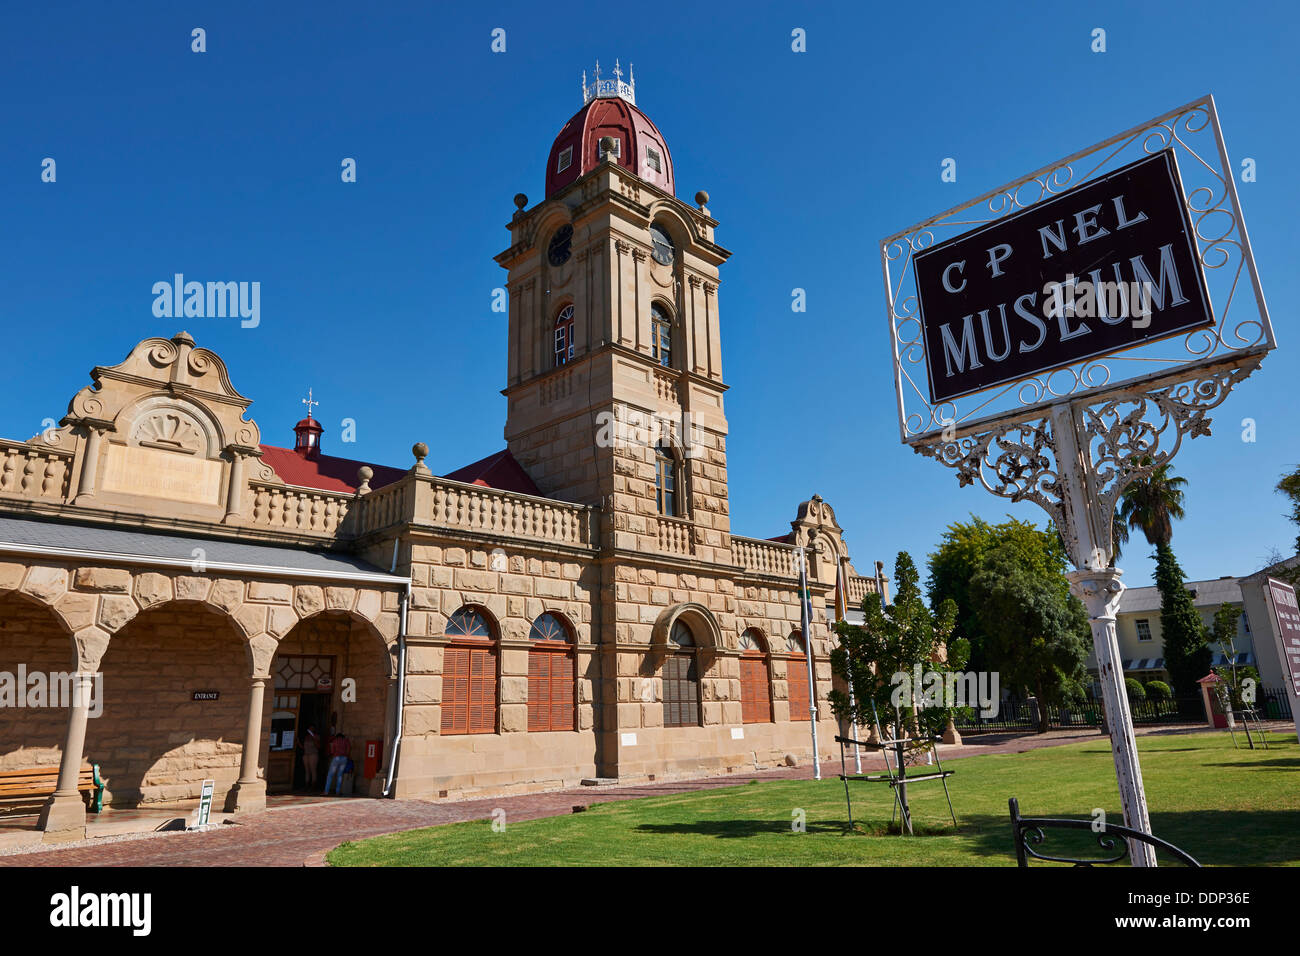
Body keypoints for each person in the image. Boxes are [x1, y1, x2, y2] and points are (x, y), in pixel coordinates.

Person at [323, 728, 351, 796]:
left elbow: (332, 751)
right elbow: (349, 749)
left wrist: (333, 754)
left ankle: (326, 791)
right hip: (344, 758)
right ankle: (337, 792)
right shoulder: (346, 740)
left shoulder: (335, 740)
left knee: (330, 775)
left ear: (337, 736)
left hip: (336, 758)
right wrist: (346, 755)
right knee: (340, 775)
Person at [300, 725, 321, 790]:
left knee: (313, 770)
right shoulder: (306, 737)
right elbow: (303, 747)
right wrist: (298, 742)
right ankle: (306, 785)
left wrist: (314, 738)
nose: (310, 729)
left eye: (312, 728)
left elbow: (318, 746)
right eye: (309, 728)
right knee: (307, 770)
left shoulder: (316, 736)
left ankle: (313, 785)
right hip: (306, 754)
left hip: (313, 754)